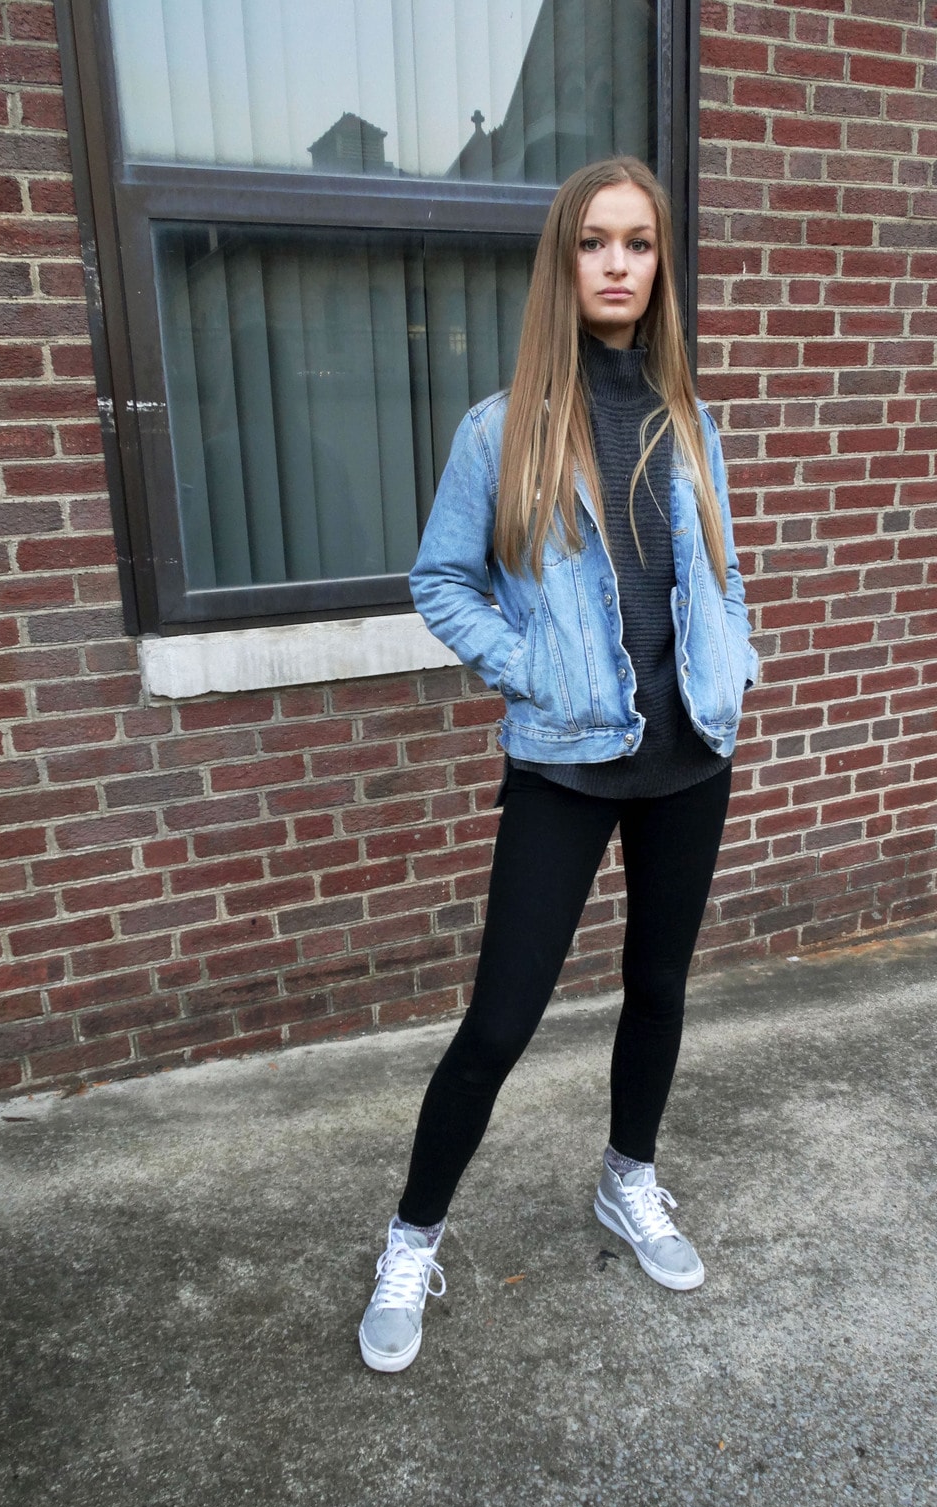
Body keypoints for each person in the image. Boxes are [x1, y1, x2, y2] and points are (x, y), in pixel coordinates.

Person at [358, 157, 759, 1373]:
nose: (620, 264)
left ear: (658, 264)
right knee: (498, 1022)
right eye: (596, 243)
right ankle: (411, 1239)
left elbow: (720, 576)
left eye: (639, 243)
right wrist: (532, 667)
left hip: (690, 757)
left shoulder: (692, 420)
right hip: (564, 763)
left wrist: (730, 663)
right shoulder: (504, 426)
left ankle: (627, 1178)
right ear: (563, 260)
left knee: (661, 988)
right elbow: (440, 582)